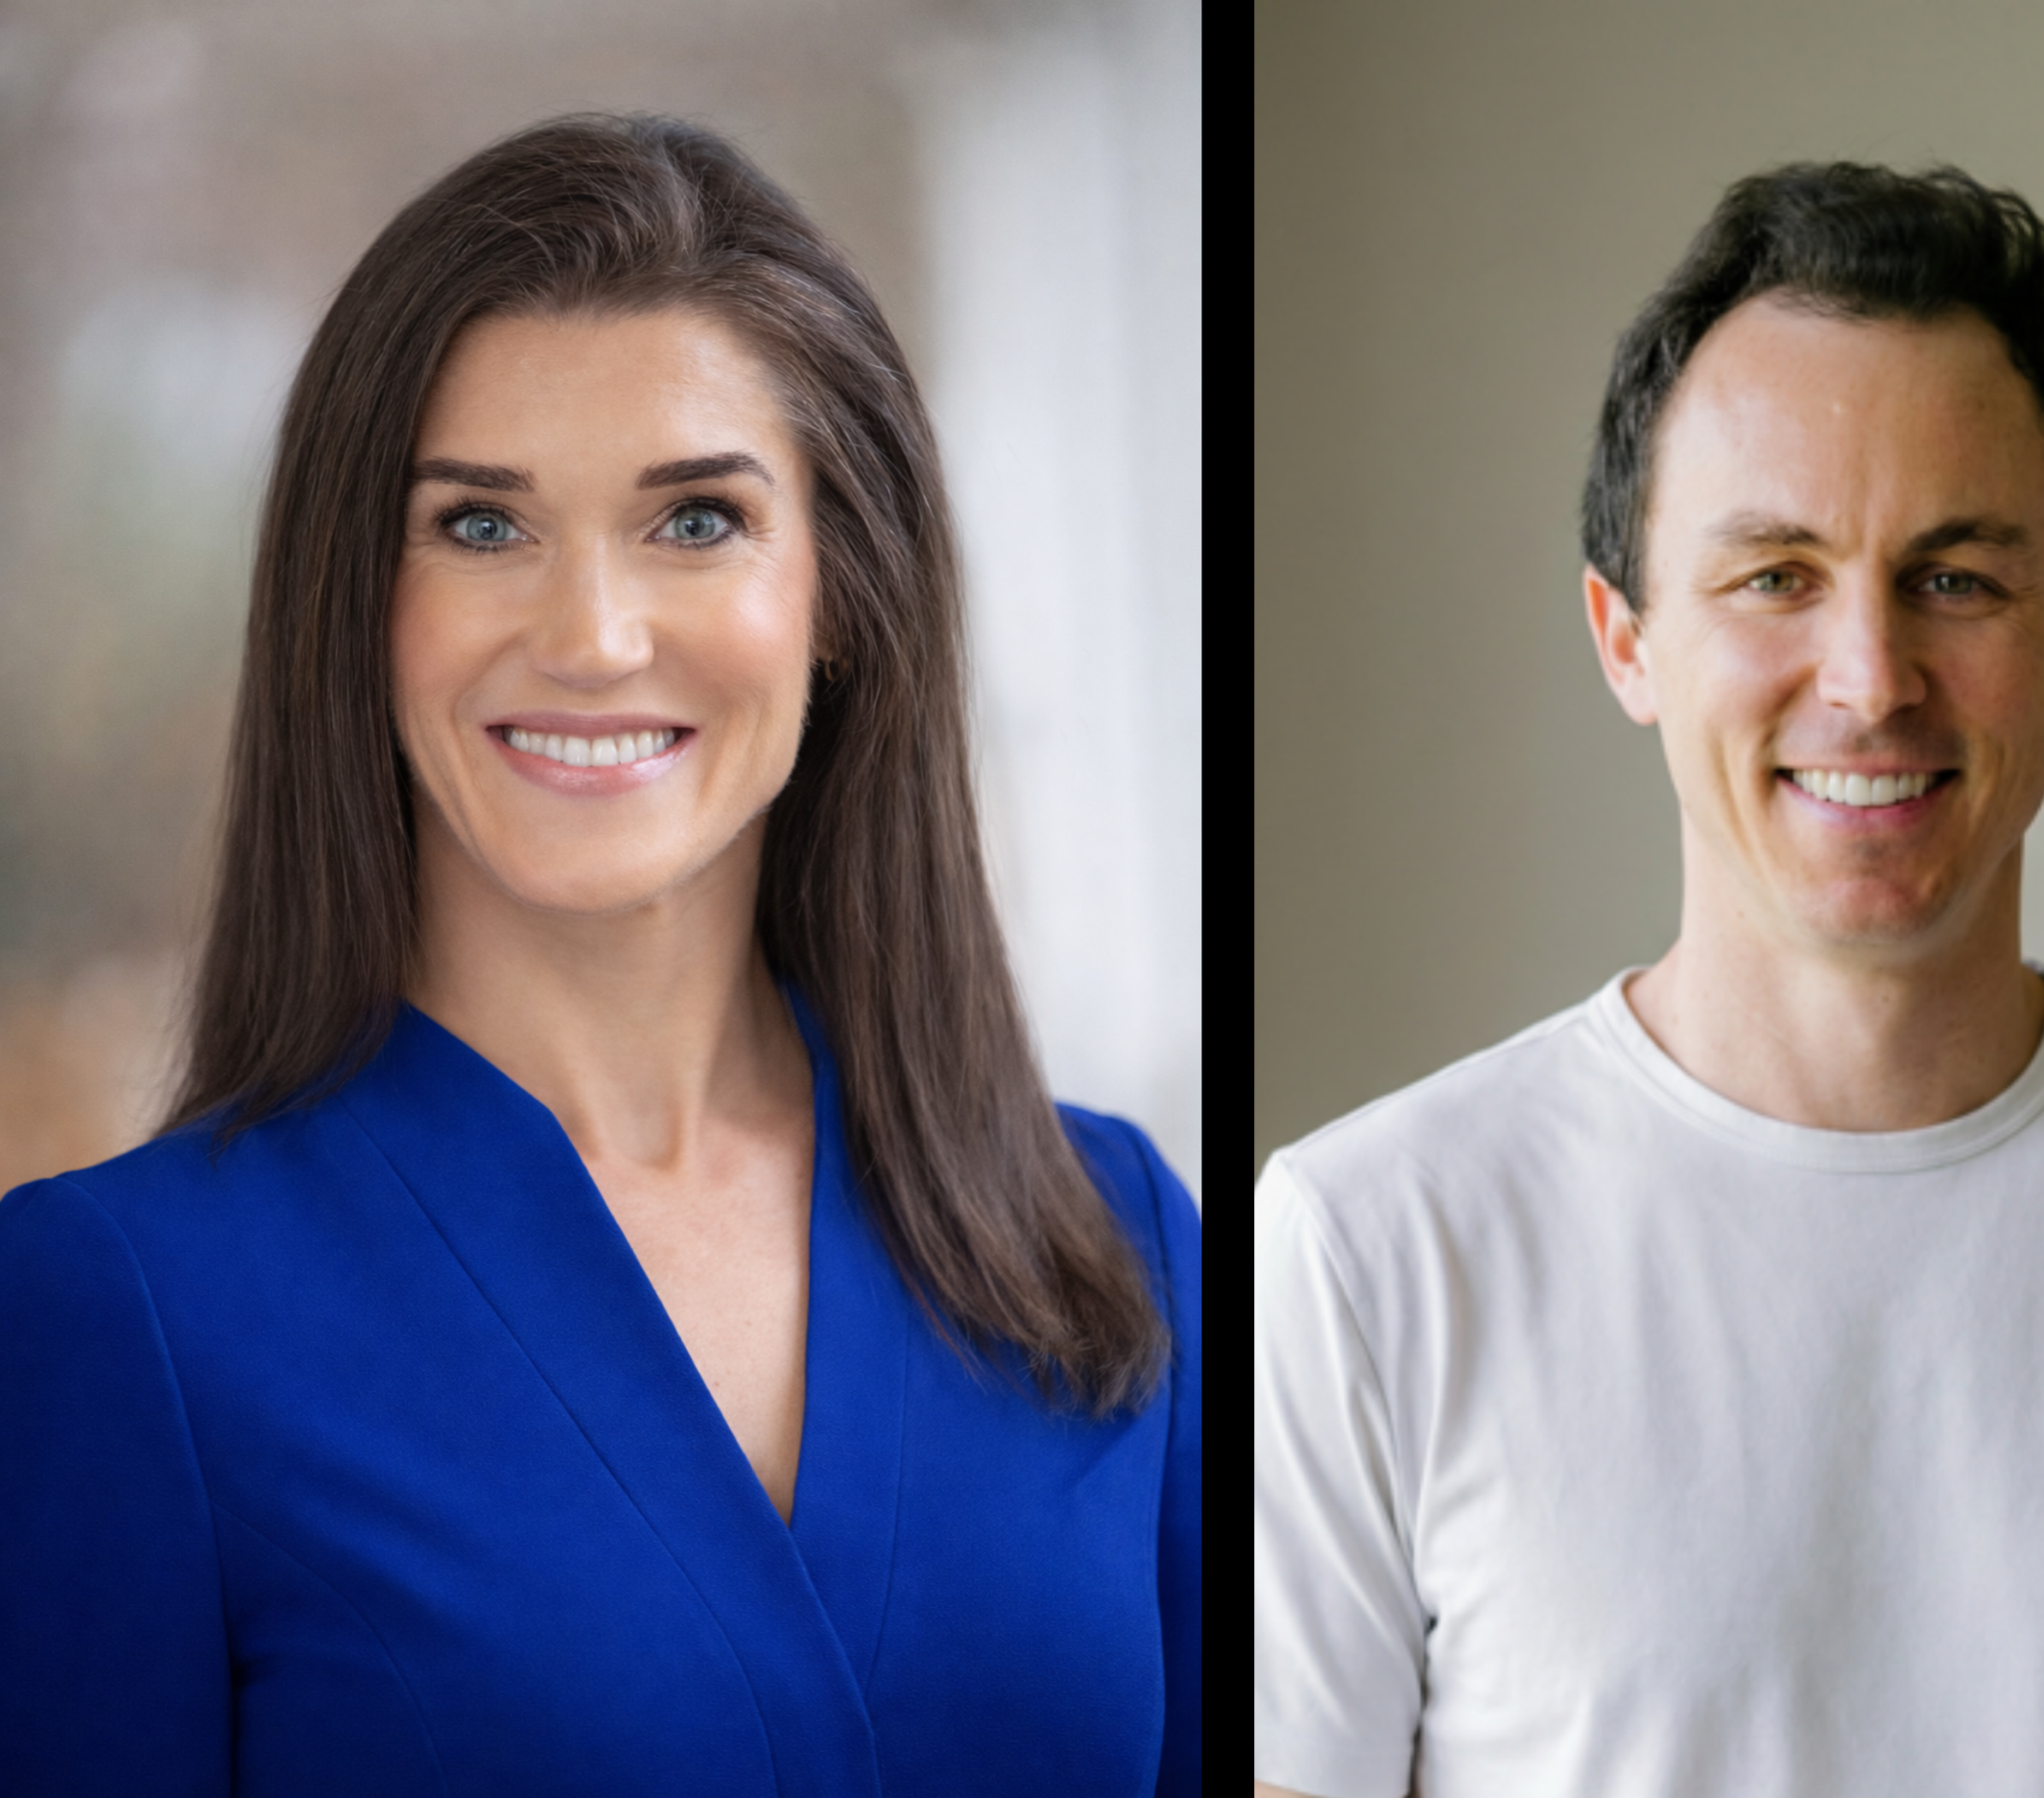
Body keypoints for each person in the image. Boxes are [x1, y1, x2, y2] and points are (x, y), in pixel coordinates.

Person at [0, 113, 1200, 1796]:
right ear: (358, 598)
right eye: (481, 527)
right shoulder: (111, 1310)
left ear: (841, 589)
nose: (590, 636)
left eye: (695, 521)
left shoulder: (1112, 1236)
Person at [1253, 163, 2044, 1798]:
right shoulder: (1366, 1250)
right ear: (1627, 637)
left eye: (1956, 577)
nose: (1872, 678)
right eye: (1774, 576)